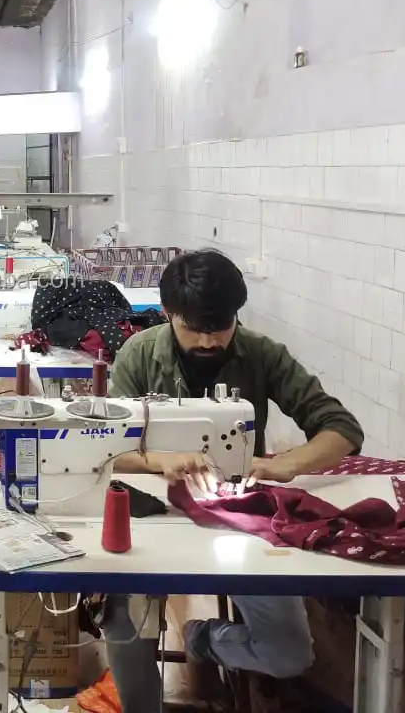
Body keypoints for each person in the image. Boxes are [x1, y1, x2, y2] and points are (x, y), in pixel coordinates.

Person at [102, 249, 364, 712]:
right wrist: (159, 460)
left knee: (289, 654)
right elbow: (106, 448)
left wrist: (289, 463)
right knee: (124, 619)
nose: (208, 340)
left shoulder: (261, 354)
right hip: (154, 515)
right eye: (194, 329)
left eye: (220, 328)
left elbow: (342, 428)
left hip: (236, 515)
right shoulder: (138, 355)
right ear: (167, 313)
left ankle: (205, 640)